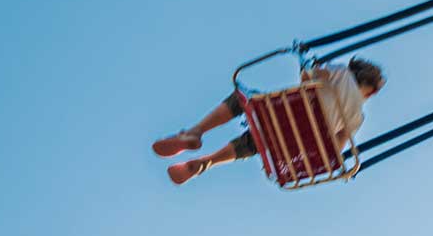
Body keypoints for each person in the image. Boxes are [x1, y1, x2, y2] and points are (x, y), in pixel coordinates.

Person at [152, 58, 385, 185]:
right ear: (371, 92)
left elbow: (307, 78)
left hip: (280, 114)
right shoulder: (357, 118)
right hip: (291, 142)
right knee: (259, 143)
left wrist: (309, 66)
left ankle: (195, 131)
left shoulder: (339, 72)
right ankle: (208, 162)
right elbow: (334, 149)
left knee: (244, 100)